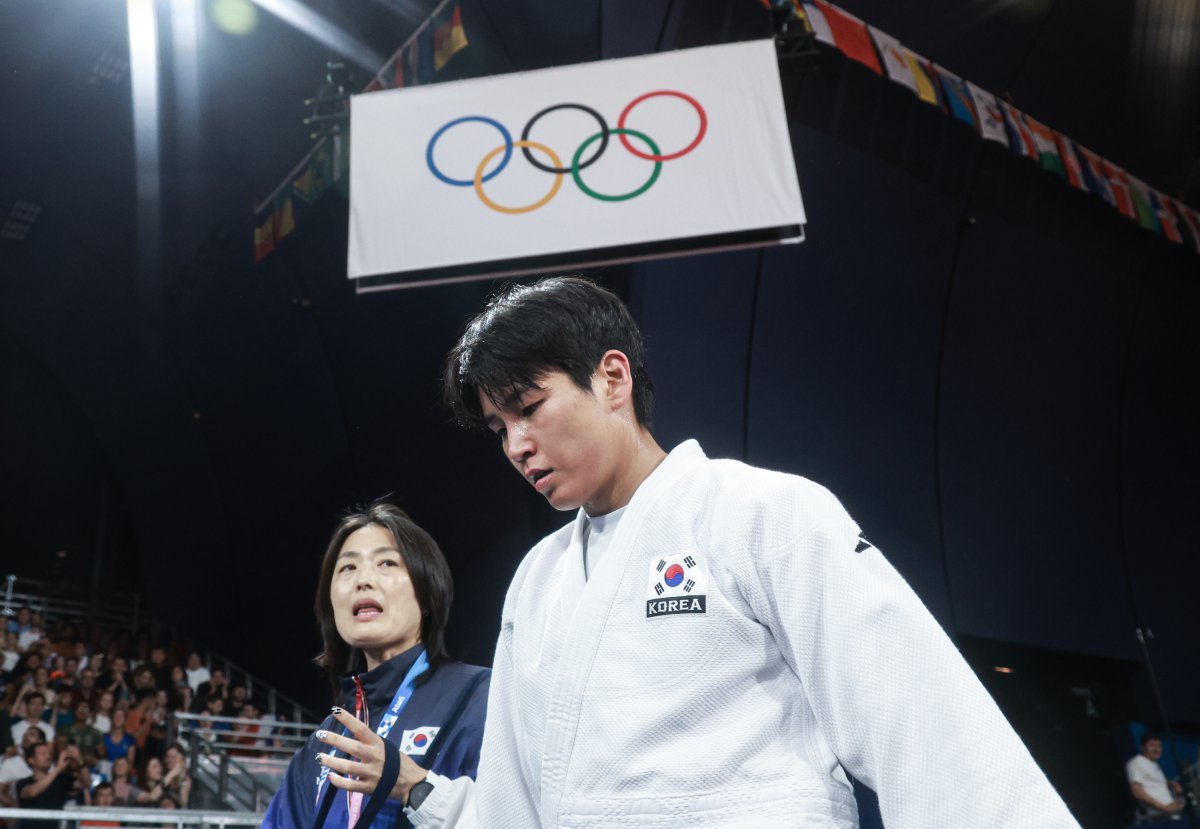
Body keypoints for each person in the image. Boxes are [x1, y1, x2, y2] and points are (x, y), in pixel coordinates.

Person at [411, 276, 1084, 828]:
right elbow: (509, 792)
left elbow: (919, 718)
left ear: (611, 378)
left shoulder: (760, 513)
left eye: (529, 406)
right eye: (500, 427)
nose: (516, 445)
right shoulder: (538, 579)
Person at [262, 503, 490, 828]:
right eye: (347, 568)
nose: (363, 580)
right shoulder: (325, 740)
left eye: (386, 563)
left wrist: (415, 787)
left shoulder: (482, 698)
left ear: (427, 593)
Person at [15, 741, 89, 827]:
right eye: (43, 754)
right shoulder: (22, 783)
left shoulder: (61, 779)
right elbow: (32, 792)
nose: (48, 756)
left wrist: (80, 760)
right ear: (31, 760)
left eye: (49, 753)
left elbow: (86, 783)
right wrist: (58, 769)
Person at [1126, 732, 1186, 822]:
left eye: (1159, 746)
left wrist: (1172, 784)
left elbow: (1156, 783)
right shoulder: (1135, 763)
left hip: (1171, 815)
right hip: (1157, 818)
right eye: (1152, 746)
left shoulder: (1154, 764)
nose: (1157, 749)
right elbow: (1137, 791)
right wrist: (1165, 808)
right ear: (1142, 747)